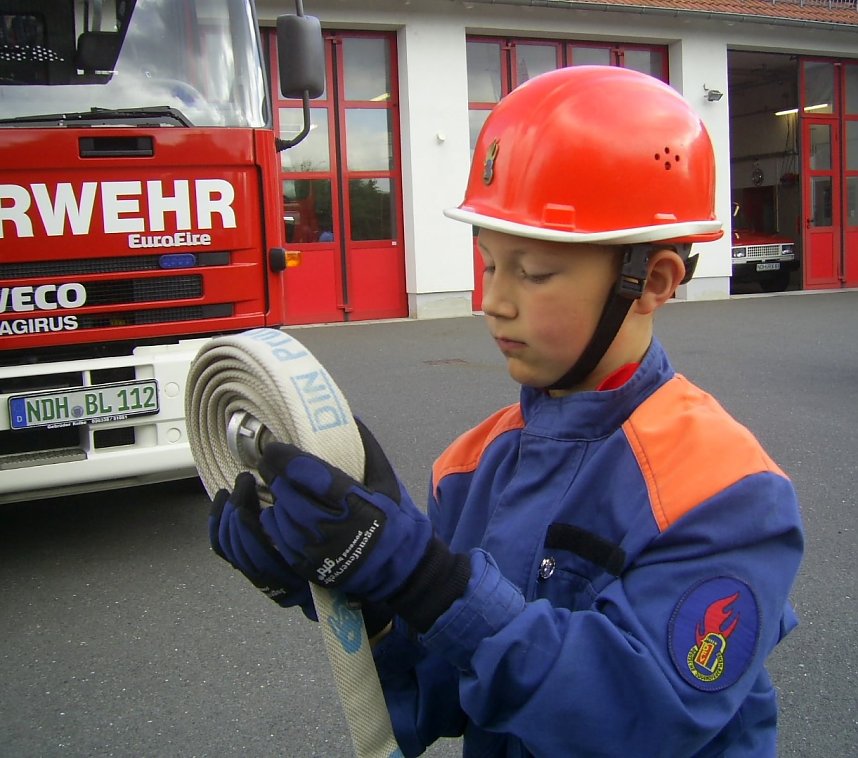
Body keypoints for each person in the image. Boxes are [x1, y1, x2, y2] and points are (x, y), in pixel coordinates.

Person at [210, 66, 804, 757]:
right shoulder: (470, 467)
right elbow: (441, 690)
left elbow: (641, 717)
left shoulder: (726, 489)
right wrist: (349, 591)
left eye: (534, 272)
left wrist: (429, 581)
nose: (493, 300)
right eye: (491, 264)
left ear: (654, 280)